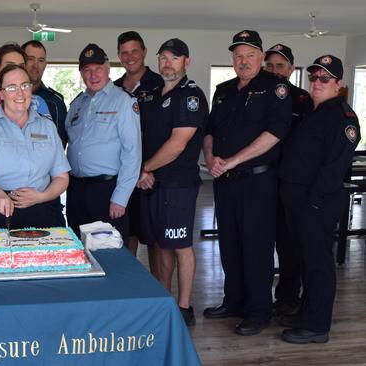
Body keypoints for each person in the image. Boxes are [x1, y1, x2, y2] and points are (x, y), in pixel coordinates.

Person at [202, 30, 291, 336]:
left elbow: (275, 133)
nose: (243, 61)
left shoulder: (276, 88)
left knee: (256, 247)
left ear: (261, 57)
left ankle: (258, 311)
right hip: (224, 180)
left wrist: (235, 160)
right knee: (228, 244)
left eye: (250, 55)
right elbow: (210, 131)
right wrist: (211, 158)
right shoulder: (224, 90)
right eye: (238, 56)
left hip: (258, 182)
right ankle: (234, 301)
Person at [279, 55, 360, 344]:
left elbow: (334, 168)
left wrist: (312, 203)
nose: (317, 83)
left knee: (318, 264)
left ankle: (316, 326)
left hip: (317, 202)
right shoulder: (312, 111)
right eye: (313, 77)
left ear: (339, 84)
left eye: (324, 79)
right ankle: (306, 310)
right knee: (302, 259)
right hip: (297, 200)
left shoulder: (343, 118)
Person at [136, 39, 208, 326]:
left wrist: (144, 168)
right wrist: (144, 172)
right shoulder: (151, 95)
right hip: (153, 184)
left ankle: (184, 307)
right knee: (162, 244)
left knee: (181, 244)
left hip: (177, 185)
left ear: (186, 62)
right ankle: (166, 301)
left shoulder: (191, 96)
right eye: (163, 58)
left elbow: (178, 144)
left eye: (174, 58)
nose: (167, 63)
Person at [0, 64, 70, 239]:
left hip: (43, 209)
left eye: (25, 85)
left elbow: (61, 177)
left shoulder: (48, 126)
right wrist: (0, 197)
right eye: (11, 87)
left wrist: (42, 196)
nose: (20, 93)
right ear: (1, 93)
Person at [64, 43, 141, 246]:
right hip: (76, 191)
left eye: (98, 69)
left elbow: (132, 152)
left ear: (107, 68)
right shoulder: (77, 104)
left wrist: (121, 197)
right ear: (81, 73)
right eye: (87, 70)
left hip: (106, 191)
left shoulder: (123, 101)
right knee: (78, 248)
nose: (93, 75)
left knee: (109, 254)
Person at [263, 43, 314, 318]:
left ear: (291, 69)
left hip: (290, 183)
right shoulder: (256, 93)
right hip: (260, 181)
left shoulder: (303, 100)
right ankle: (256, 295)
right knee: (259, 241)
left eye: (279, 65)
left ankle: (287, 297)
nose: (274, 70)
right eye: (269, 65)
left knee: (288, 244)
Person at [114, 31, 164, 259]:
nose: (130, 56)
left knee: (155, 240)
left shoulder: (161, 84)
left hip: (151, 175)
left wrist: (146, 169)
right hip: (123, 174)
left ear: (144, 52)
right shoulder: (113, 89)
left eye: (134, 51)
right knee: (126, 234)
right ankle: (128, 289)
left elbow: (165, 133)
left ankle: (158, 293)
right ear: (119, 56)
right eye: (124, 52)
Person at [0, 43, 51, 141]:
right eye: (10, 66)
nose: (16, 71)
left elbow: (48, 141)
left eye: (21, 66)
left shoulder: (37, 103)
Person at [21, 40, 68, 142]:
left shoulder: (55, 101)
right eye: (30, 59)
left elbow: (60, 143)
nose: (36, 65)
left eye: (41, 60)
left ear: (45, 65)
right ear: (21, 62)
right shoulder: (9, 97)